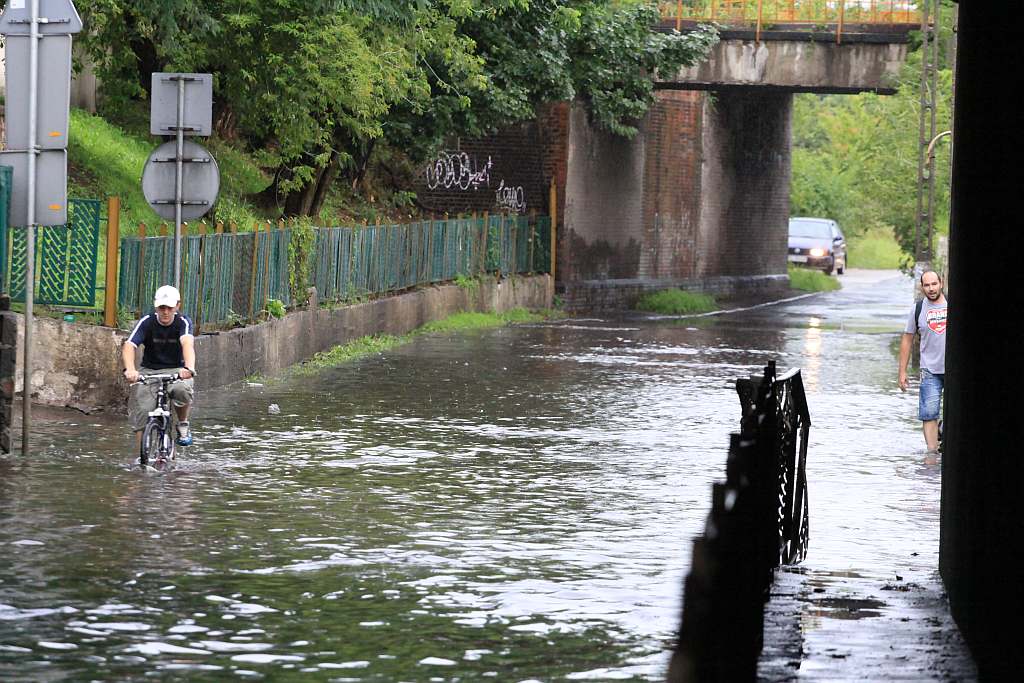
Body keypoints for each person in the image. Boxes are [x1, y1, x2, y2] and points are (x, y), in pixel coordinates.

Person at [122, 285, 197, 447]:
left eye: (169, 308)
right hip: (149, 372)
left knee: (182, 390)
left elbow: (187, 344)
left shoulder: (183, 322)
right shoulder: (147, 322)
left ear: (177, 306)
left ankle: (183, 424)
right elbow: (129, 345)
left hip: (178, 370)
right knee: (143, 411)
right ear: (156, 306)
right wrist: (130, 369)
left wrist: (189, 368)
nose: (165, 312)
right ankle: (141, 459)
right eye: (162, 307)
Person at [898, 270, 947, 453]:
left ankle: (944, 434)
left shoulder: (953, 305)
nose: (931, 288)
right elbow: (907, 338)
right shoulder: (917, 309)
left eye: (934, 284)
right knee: (929, 414)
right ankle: (932, 455)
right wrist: (902, 372)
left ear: (941, 283)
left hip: (953, 370)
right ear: (922, 287)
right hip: (929, 370)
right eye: (927, 285)